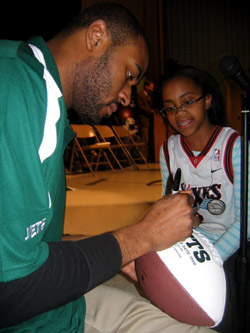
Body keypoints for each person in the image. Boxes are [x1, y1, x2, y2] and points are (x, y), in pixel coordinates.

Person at [0, 3, 211, 332]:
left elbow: (28, 247)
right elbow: (11, 291)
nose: (128, 97)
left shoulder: (40, 94)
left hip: (64, 305)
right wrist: (139, 238)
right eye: (130, 75)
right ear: (96, 37)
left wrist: (113, 248)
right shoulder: (15, 89)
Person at [153, 64, 250, 264]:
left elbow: (245, 222)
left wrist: (210, 261)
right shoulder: (168, 150)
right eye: (170, 108)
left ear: (206, 100)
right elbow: (169, 204)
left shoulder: (233, 146)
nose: (179, 113)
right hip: (192, 241)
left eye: (187, 101)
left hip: (232, 246)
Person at [136, 79, 156, 161]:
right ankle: (142, 157)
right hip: (143, 120)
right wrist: (150, 111)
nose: (152, 89)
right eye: (151, 87)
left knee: (148, 140)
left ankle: (147, 156)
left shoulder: (149, 96)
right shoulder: (140, 94)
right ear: (146, 86)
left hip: (151, 120)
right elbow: (140, 107)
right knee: (144, 139)